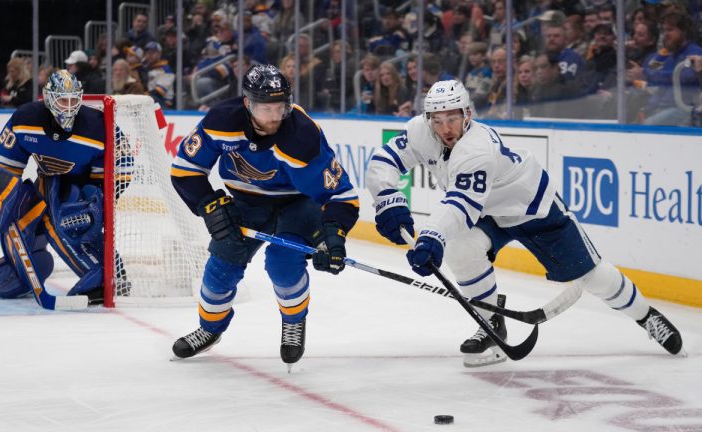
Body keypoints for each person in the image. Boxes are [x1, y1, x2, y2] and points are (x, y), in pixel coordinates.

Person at [365, 80, 684, 367]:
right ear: (427, 120)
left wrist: (431, 237)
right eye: (438, 120)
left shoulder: (477, 149)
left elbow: (461, 204)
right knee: (461, 249)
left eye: (452, 118)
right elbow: (383, 162)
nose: (445, 128)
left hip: (534, 208)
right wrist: (387, 199)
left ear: (468, 115)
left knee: (593, 276)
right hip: (489, 212)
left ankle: (646, 317)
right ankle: (491, 322)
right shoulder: (419, 132)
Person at [170, 64, 359, 367]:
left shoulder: (302, 137)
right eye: (265, 108)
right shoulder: (221, 121)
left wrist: (334, 234)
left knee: (283, 263)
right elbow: (185, 170)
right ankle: (209, 329)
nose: (274, 117)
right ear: (247, 103)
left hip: (297, 205)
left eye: (280, 107)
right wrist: (210, 206)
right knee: (221, 267)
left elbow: (341, 195)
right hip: (245, 203)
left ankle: (294, 321)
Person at [0, 70, 130, 306]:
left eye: (72, 100)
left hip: (83, 184)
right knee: (15, 223)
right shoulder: (26, 119)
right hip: (48, 180)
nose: (68, 107)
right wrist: (4, 193)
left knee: (64, 221)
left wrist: (97, 199)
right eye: (62, 100)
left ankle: (105, 275)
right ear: (48, 99)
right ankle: (24, 269)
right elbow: (6, 164)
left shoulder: (98, 125)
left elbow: (124, 165)